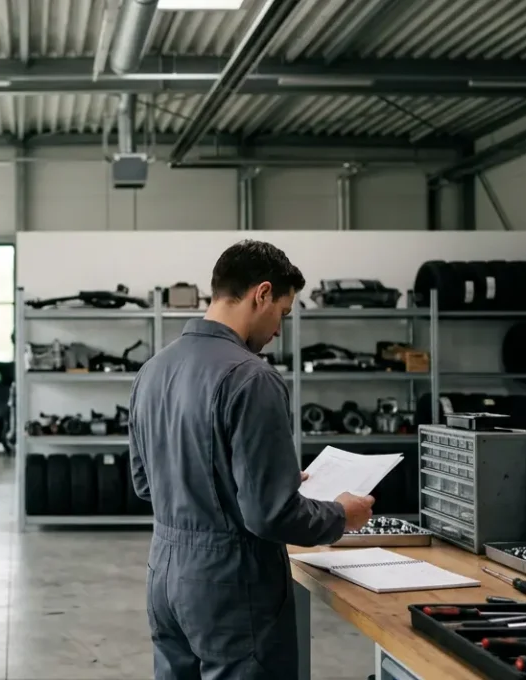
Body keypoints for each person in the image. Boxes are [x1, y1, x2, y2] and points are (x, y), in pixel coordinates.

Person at [129, 240, 376, 680]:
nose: (279, 329)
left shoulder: (153, 370)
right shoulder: (251, 377)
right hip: (231, 585)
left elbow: (147, 483)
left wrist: (260, 478)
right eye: (282, 312)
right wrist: (341, 514)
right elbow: (269, 515)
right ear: (261, 294)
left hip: (163, 575)